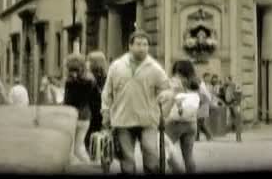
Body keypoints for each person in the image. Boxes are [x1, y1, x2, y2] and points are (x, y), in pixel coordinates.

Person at [101, 30, 171, 174]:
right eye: (138, 44)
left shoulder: (155, 68)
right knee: (127, 160)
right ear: (130, 46)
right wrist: (106, 111)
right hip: (122, 120)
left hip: (148, 120)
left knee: (151, 156)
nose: (142, 48)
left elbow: (167, 88)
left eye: (145, 45)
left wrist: (165, 95)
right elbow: (107, 91)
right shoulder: (117, 66)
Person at [162, 60, 201, 173]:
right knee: (188, 157)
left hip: (175, 121)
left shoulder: (174, 82)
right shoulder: (196, 84)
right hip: (192, 123)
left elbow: (169, 98)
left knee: (164, 149)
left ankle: (177, 170)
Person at [63, 53, 97, 164]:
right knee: (78, 147)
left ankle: (85, 167)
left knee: (69, 148)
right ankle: (88, 164)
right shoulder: (91, 81)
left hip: (72, 116)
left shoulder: (70, 82)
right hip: (86, 116)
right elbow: (93, 99)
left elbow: (68, 101)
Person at [85, 51, 108, 157]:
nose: (87, 63)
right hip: (101, 111)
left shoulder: (89, 78)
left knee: (91, 136)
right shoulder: (106, 77)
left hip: (93, 112)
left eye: (88, 61)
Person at [223, 76, 243, 142]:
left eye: (226, 80)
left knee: (238, 121)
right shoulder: (227, 87)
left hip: (236, 105)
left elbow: (239, 96)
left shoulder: (235, 86)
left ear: (230, 80)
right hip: (230, 105)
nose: (225, 81)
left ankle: (238, 137)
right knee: (232, 120)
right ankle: (236, 135)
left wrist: (236, 102)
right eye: (225, 80)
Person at [196, 74, 214, 142]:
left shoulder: (201, 87)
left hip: (202, 106)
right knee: (200, 122)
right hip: (203, 105)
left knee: (199, 122)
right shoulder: (202, 86)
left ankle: (199, 137)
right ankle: (207, 136)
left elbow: (202, 97)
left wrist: (199, 103)